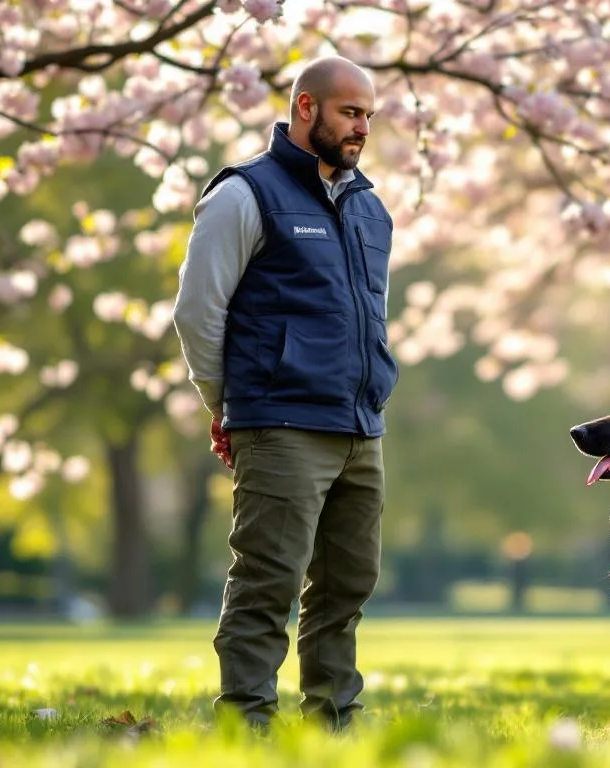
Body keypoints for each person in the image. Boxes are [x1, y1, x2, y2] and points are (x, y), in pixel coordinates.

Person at [171, 55, 399, 733]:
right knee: (267, 584)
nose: (361, 128)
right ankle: (247, 726)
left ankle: (334, 723)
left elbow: (369, 313)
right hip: (280, 423)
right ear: (306, 108)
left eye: (368, 116)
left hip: (361, 428)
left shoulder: (370, 207)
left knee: (346, 588)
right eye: (349, 112)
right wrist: (226, 406)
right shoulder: (245, 193)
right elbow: (197, 311)